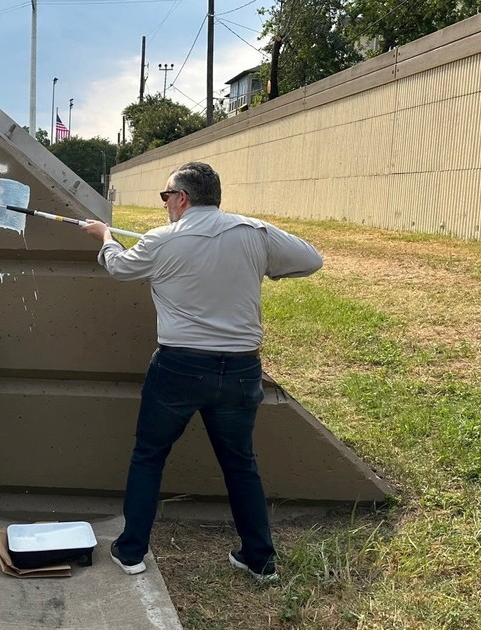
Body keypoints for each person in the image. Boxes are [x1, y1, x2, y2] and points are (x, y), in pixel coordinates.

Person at [80, 161, 322, 583]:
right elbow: (311, 260)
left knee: (149, 455)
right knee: (240, 464)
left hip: (179, 367)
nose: (165, 204)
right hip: (242, 370)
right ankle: (259, 558)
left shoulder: (161, 240)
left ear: (182, 198)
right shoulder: (254, 232)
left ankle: (131, 551)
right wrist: (270, 267)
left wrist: (105, 237)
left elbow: (118, 267)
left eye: (165, 196)